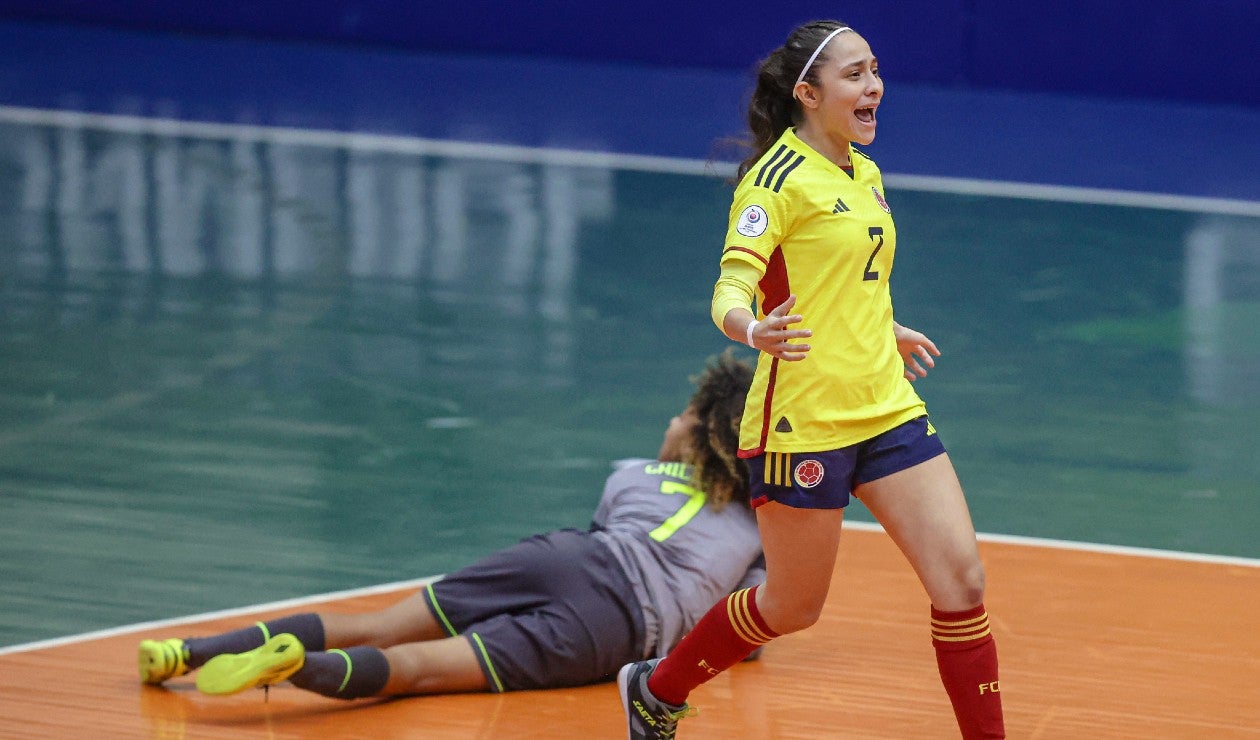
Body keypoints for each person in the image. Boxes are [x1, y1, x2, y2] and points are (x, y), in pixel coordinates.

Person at [618, 20, 1005, 740]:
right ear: (808, 93)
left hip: (886, 406)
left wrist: (880, 327)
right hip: (803, 421)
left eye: (876, 70)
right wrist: (752, 330)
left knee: (963, 583)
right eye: (856, 75)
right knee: (792, 608)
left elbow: (845, 276)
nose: (875, 87)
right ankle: (656, 689)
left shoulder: (863, 169)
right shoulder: (774, 182)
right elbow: (732, 287)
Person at [137, 351, 764, 700]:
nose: (671, 422)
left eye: (682, 415)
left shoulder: (633, 476)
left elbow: (609, 536)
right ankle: (294, 665)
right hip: (613, 626)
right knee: (416, 670)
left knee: (378, 626)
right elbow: (749, 632)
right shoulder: (758, 529)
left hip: (564, 556)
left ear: (700, 433)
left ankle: (182, 653)